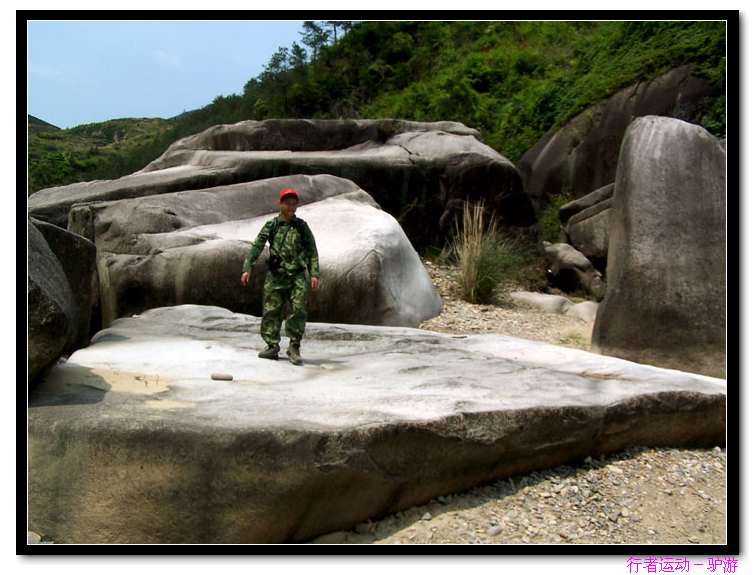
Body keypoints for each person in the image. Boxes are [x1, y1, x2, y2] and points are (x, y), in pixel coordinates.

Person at [240, 188, 320, 365]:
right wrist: (248, 268)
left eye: (294, 203)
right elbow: (257, 246)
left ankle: (294, 346)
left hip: (297, 275)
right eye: (287, 202)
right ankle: (272, 345)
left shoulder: (302, 226)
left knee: (298, 309)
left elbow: (312, 250)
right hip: (276, 275)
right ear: (280, 204)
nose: (291, 206)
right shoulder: (272, 225)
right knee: (271, 310)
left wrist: (314, 273)